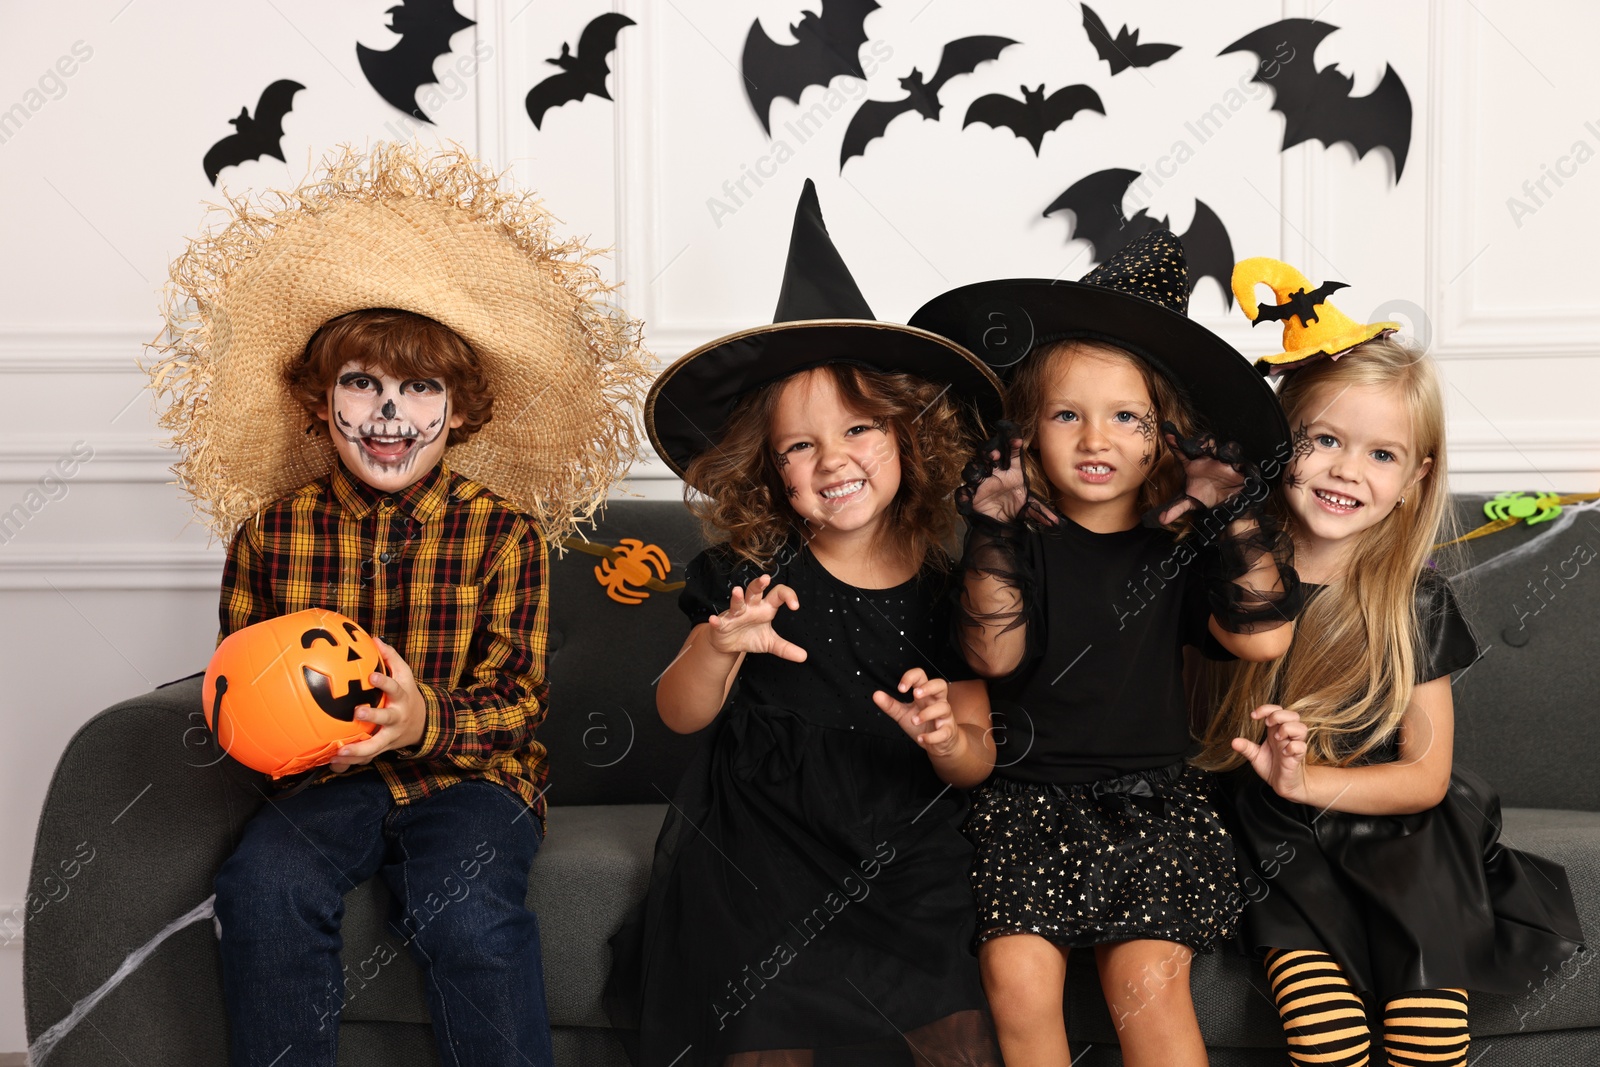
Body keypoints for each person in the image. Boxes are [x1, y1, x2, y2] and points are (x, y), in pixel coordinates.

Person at [147, 143, 649, 1067]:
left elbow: (521, 698)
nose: (389, 413)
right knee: (264, 889)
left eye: (421, 388)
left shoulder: (503, 533)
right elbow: (239, 673)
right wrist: (267, 731)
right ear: (318, 399)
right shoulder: (274, 532)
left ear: (460, 410)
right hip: (322, 780)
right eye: (362, 384)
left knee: (465, 911)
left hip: (468, 780)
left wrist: (422, 716)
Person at [606, 180, 1005, 1065]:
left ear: (906, 436)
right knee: (766, 1025)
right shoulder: (747, 579)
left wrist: (945, 738)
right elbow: (679, 712)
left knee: (954, 1034)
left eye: (860, 427)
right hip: (764, 849)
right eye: (800, 445)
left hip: (908, 849)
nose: (834, 460)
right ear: (771, 471)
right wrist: (717, 644)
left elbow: (977, 754)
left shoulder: (956, 587)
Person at [906, 231, 1302, 1066]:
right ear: (1026, 431)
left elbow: (1264, 635)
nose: (1096, 438)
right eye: (1066, 415)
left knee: (1151, 1000)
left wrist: (1231, 517)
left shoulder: (1182, 546)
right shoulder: (1014, 545)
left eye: (1126, 417)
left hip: (1151, 812)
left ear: (1166, 436)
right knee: (1016, 982)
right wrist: (990, 527)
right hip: (1023, 810)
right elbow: (995, 658)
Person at [1195, 259, 1586, 1067]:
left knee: (1427, 1038)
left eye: (1381, 454)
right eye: (1325, 439)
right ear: (1279, 447)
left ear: (1416, 481)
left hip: (1404, 836)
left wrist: (1314, 780)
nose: (1346, 469)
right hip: (1276, 834)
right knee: (1327, 1039)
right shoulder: (1228, 577)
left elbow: (1426, 776)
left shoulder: (1413, 603)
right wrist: (1284, 782)